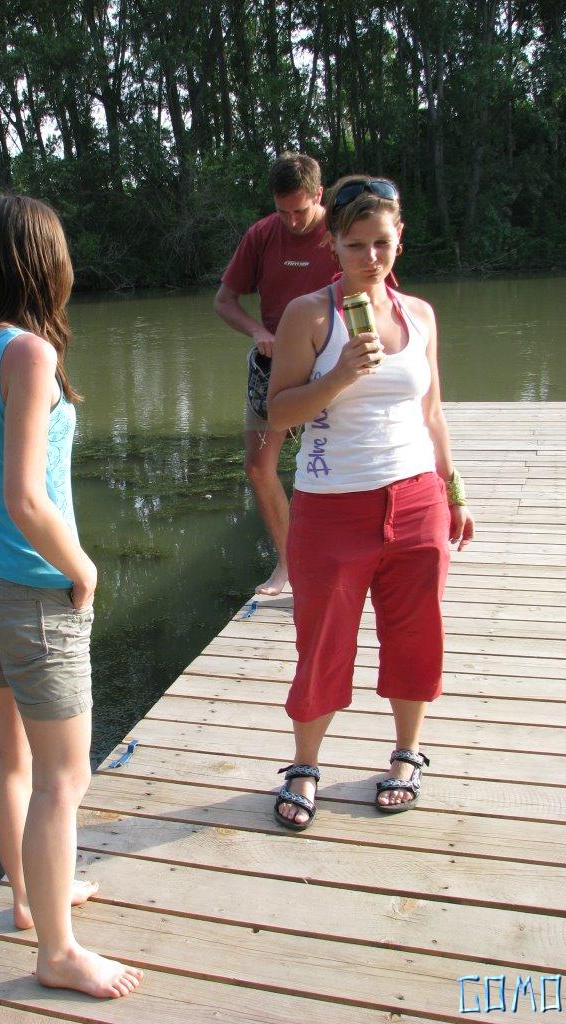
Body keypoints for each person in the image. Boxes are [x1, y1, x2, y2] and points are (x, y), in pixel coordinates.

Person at [0, 194, 142, 998]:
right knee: (64, 779)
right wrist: (81, 568)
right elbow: (26, 498)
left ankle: (26, 896)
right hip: (34, 595)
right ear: (44, 264)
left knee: (9, 754)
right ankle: (57, 953)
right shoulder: (29, 353)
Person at [266, 175, 473, 830]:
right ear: (333, 243)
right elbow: (279, 413)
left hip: (416, 502)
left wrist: (453, 491)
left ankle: (407, 756)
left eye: (381, 243)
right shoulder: (309, 315)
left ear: (399, 239)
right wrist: (339, 375)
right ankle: (304, 766)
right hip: (331, 508)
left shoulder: (420, 315)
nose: (370, 257)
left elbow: (432, 413)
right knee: (322, 642)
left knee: (416, 635)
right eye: (355, 245)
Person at [214, 152, 337, 596]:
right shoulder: (262, 234)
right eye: (283, 212)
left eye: (300, 211)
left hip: (331, 369)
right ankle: (289, 565)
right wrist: (258, 330)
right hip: (274, 370)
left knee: (333, 469)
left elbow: (377, 295)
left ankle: (339, 566)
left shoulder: (341, 232)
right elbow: (224, 301)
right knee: (258, 467)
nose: (292, 222)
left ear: (319, 195)